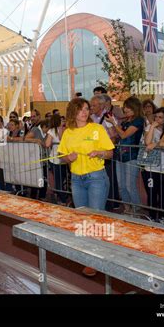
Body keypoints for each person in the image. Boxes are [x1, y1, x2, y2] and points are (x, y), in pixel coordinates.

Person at [58, 98, 114, 277]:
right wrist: (68, 158)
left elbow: (110, 153)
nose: (84, 112)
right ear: (73, 112)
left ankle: (95, 258)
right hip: (76, 179)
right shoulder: (68, 132)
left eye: (86, 109)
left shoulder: (97, 129)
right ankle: (87, 255)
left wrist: (99, 152)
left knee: (95, 217)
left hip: (96, 177)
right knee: (82, 217)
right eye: (81, 109)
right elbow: (62, 155)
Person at [105, 97, 144, 213]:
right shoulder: (126, 121)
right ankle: (127, 209)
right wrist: (111, 127)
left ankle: (136, 210)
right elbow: (117, 136)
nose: (125, 109)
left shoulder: (139, 120)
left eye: (128, 107)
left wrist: (113, 123)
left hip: (132, 156)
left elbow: (124, 135)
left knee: (129, 185)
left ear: (134, 108)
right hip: (120, 155)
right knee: (121, 186)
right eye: (125, 107)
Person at [140, 107, 164, 222]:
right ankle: (153, 216)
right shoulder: (149, 127)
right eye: (156, 117)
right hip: (151, 166)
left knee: (163, 193)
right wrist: (152, 127)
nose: (158, 119)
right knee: (152, 193)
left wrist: (156, 145)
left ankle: (162, 216)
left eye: (161, 117)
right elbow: (147, 143)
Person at [45, 114, 67, 205]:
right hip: (65, 159)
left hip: (56, 159)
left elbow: (47, 144)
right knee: (62, 180)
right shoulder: (65, 130)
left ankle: (62, 199)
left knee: (58, 181)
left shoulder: (52, 131)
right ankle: (62, 198)